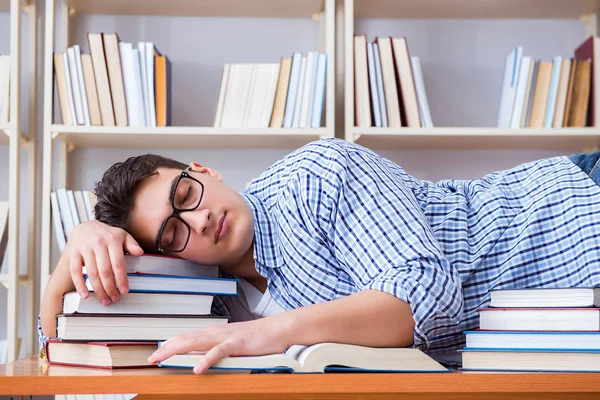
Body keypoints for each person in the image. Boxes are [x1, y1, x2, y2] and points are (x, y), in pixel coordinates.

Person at [39, 138, 600, 373]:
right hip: (558, 334)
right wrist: (75, 250)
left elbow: (427, 297)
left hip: (573, 219)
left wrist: (265, 334)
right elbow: (56, 348)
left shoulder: (318, 174)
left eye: (187, 195)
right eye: (173, 231)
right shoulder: (201, 290)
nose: (199, 219)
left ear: (203, 171)